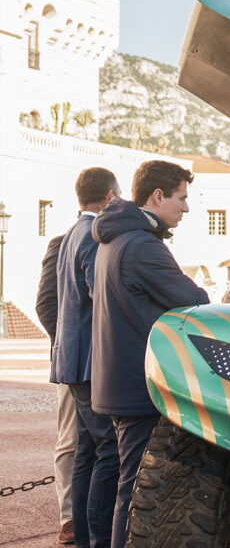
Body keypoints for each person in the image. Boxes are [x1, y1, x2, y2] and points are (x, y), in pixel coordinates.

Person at [91, 160, 210, 547]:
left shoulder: (116, 238)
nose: (186, 208)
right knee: (137, 488)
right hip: (139, 385)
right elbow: (195, 299)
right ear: (157, 196)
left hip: (118, 381)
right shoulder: (141, 244)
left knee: (129, 482)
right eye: (182, 198)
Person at [50, 168, 121, 548]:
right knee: (109, 448)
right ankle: (97, 537)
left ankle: (82, 533)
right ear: (110, 196)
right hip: (91, 360)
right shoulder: (93, 236)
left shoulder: (71, 233)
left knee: (87, 452)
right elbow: (100, 296)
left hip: (72, 358)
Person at [35, 233, 76, 544]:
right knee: (71, 439)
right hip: (74, 361)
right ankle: (70, 517)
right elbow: (46, 304)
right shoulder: (61, 243)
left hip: (108, 360)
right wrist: (67, 347)